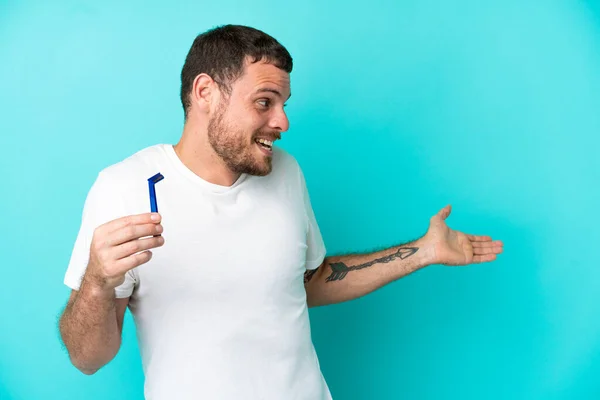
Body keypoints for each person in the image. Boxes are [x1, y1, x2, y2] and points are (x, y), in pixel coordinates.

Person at [58, 24, 503, 400]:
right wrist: (97, 281)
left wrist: (422, 251)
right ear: (205, 92)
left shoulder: (285, 171)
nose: (283, 122)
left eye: (284, 104)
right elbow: (87, 358)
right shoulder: (124, 188)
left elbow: (311, 281)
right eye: (264, 102)